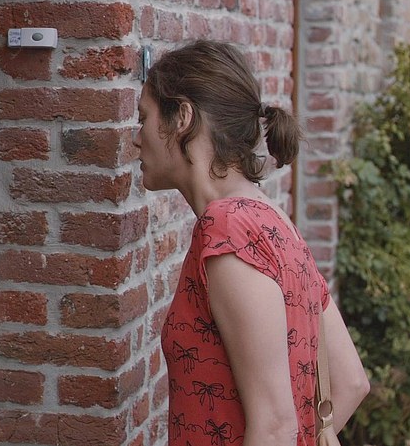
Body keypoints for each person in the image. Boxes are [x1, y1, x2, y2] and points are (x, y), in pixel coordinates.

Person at [134, 40, 370, 446]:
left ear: (182, 118)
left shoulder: (227, 231)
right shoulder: (272, 220)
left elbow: (276, 426)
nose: (136, 139)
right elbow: (350, 381)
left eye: (143, 118)